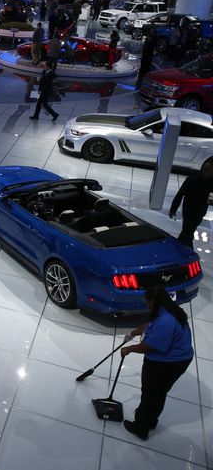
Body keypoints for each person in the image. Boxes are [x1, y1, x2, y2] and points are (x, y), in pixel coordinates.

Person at [120, 285, 194, 441]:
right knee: (158, 393)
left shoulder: (166, 322)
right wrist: (134, 333)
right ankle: (150, 420)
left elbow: (151, 346)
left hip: (168, 363)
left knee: (150, 393)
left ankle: (141, 427)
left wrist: (130, 349)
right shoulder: (168, 308)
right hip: (178, 359)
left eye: (147, 303)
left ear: (153, 302)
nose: (146, 305)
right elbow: (150, 324)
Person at [169, 160, 213, 247]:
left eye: (210, 172)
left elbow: (211, 199)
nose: (207, 173)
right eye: (206, 171)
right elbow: (179, 195)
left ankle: (180, 250)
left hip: (199, 213)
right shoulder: (191, 180)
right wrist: (172, 210)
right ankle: (186, 252)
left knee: (187, 234)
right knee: (188, 233)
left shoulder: (210, 183)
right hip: (189, 212)